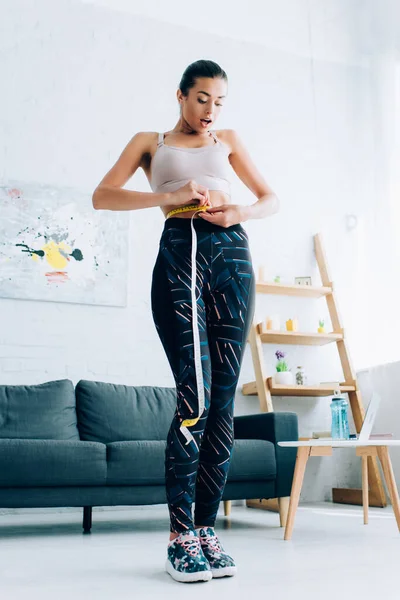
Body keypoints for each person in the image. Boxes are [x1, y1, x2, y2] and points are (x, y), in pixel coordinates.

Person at [92, 59, 279, 583]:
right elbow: (102, 196)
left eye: (219, 102)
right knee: (193, 396)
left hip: (232, 257)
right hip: (180, 253)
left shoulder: (230, 140)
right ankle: (179, 536)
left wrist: (237, 213)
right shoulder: (149, 142)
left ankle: (204, 529)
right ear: (180, 95)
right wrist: (168, 196)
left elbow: (271, 199)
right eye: (201, 99)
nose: (210, 111)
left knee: (222, 402)